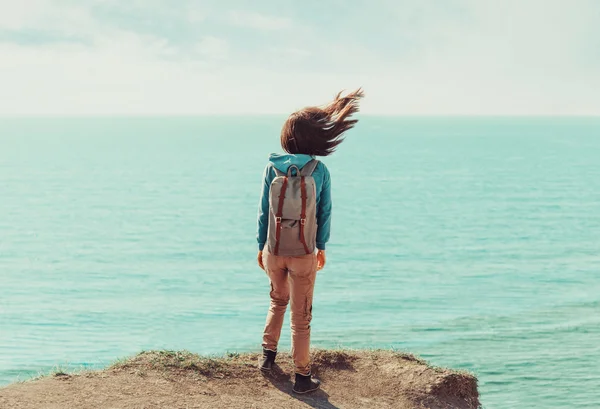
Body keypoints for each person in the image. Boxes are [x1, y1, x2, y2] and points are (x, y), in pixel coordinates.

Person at [256, 89, 364, 394]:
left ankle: (267, 358)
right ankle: (302, 378)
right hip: (303, 252)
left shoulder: (271, 167)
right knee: (300, 317)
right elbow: (325, 212)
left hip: (274, 250)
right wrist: (321, 247)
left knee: (277, 301)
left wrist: (260, 247)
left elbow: (263, 210)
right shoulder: (320, 172)